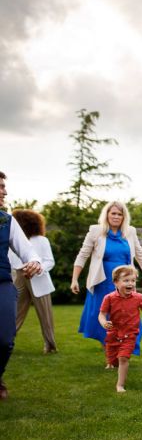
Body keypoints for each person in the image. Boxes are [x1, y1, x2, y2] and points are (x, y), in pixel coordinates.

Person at [71, 201, 142, 363]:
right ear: (107, 215)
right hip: (103, 282)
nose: (116, 217)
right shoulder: (96, 231)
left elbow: (140, 254)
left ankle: (125, 349)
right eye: (113, 213)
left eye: (119, 214)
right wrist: (75, 279)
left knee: (128, 317)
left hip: (126, 283)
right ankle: (110, 352)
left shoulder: (130, 232)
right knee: (106, 316)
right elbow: (82, 255)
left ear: (124, 217)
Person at [0, 171, 43, 400]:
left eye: (4, 186)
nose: (4, 191)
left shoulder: (7, 221)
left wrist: (34, 262)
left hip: (2, 283)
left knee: (5, 340)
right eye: (0, 186)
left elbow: (27, 250)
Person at [99, 265, 142, 392]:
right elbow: (102, 314)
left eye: (133, 280)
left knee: (123, 358)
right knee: (112, 358)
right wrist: (104, 322)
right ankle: (110, 362)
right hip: (113, 333)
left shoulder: (138, 297)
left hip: (130, 334)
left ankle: (120, 385)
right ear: (116, 282)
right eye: (126, 281)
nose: (130, 284)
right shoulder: (109, 298)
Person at [9, 209, 57, 353]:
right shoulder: (12, 240)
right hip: (19, 277)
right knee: (14, 313)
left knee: (45, 315)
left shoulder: (41, 240)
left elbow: (50, 261)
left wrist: (38, 268)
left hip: (39, 279)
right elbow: (11, 261)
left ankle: (50, 345)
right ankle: (7, 341)